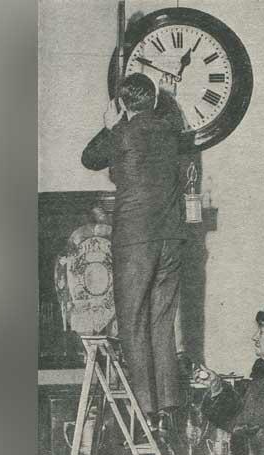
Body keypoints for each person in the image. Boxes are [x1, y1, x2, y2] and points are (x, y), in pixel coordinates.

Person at [81, 73, 186, 431]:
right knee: (162, 324)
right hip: (172, 239)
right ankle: (169, 410)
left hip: (136, 241)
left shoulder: (122, 133)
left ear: (123, 104)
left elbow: (89, 158)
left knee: (133, 323)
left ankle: (145, 414)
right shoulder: (171, 131)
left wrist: (110, 124)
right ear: (154, 100)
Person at [194, 303, 264, 455]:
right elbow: (237, 418)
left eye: (261, 332)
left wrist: (231, 440)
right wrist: (216, 387)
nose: (254, 337)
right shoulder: (263, 376)